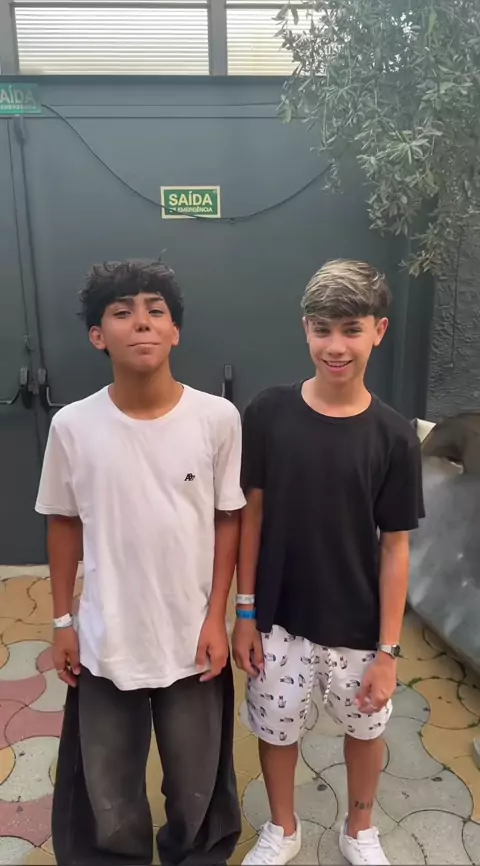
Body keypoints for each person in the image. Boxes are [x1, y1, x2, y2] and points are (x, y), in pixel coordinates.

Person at [35, 259, 245, 866]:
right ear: (98, 335)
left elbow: (228, 518)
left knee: (197, 782)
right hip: (107, 640)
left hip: (191, 637)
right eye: (122, 312)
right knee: (107, 789)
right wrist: (63, 622)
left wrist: (219, 617)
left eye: (156, 311)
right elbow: (63, 523)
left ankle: (194, 854)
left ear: (175, 330)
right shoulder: (73, 426)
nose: (142, 323)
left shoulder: (216, 419)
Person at [233, 260, 425, 866]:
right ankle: (283, 828)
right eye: (322, 329)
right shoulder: (268, 412)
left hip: (360, 625)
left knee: (366, 729)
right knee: (276, 728)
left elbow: (395, 545)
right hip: (279, 618)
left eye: (350, 329)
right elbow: (251, 517)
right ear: (305, 330)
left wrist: (389, 652)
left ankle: (359, 829)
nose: (335, 346)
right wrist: (245, 613)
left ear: (379, 331)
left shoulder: (394, 436)